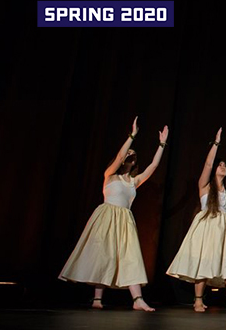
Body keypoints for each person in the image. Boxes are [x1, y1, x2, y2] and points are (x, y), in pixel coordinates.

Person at [59, 117, 167, 312]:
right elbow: (118, 157)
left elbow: (153, 166)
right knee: (103, 255)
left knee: (130, 256)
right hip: (107, 217)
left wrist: (162, 144)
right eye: (128, 153)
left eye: (133, 154)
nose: (130, 155)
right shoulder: (109, 175)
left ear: (135, 161)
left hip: (125, 220)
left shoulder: (134, 181)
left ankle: (138, 299)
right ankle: (97, 299)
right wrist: (132, 136)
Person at [167, 128, 226, 313]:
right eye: (220, 164)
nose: (223, 166)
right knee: (204, 262)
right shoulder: (204, 187)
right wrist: (216, 143)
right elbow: (207, 164)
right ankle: (198, 300)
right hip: (207, 226)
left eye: (225, 165)